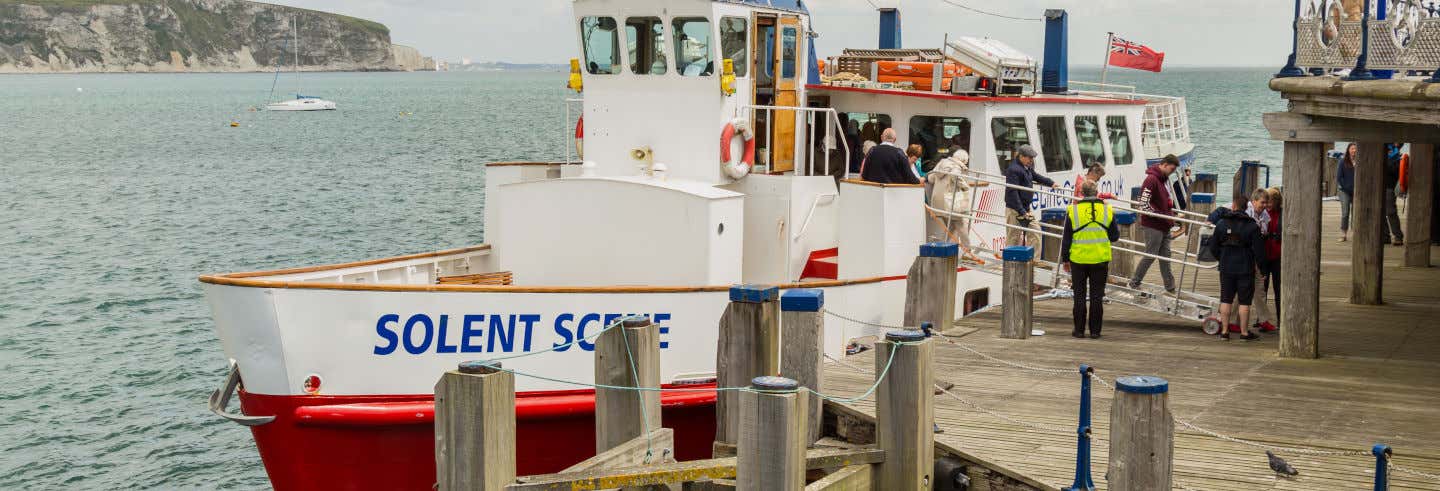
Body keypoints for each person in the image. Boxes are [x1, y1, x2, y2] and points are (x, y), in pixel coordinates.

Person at [1062, 181, 1120, 339]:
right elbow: (1115, 236)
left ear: (1081, 192)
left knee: (1079, 296)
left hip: (1078, 259)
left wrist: (1065, 259)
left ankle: (1079, 331)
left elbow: (1066, 238)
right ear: (1097, 192)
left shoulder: (1073, 211)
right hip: (1100, 259)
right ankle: (1095, 332)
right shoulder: (1107, 209)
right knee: (1097, 296)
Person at [1209, 196, 1265, 341]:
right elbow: (1259, 251)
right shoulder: (1252, 226)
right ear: (1247, 208)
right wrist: (1262, 269)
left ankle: (1225, 331)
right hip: (1245, 267)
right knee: (1244, 301)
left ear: (1233, 206)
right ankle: (1244, 333)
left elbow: (1213, 247)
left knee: (1226, 299)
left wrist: (1221, 258)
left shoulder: (1221, 224)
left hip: (1226, 266)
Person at [1127, 154, 1183, 294]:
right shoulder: (1151, 179)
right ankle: (1134, 282)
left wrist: (1169, 216)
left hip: (1164, 225)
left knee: (1166, 257)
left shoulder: (1162, 180)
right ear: (1164, 165)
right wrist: (1162, 215)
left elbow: (1163, 202)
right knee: (1150, 254)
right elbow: (1143, 204)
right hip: (1153, 225)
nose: (1171, 172)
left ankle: (1170, 287)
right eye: (1171, 169)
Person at [928, 149, 987, 255]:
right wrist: (965, 186)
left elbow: (931, 178)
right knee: (961, 224)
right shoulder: (956, 166)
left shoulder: (942, 163)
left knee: (951, 226)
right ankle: (968, 251)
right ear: (963, 160)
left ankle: (942, 247)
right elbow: (956, 177)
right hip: (950, 203)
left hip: (937, 202)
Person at [1003, 144, 1058, 248]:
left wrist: (1051, 183)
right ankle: (1009, 261)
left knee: (1035, 231)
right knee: (1013, 237)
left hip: (1025, 208)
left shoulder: (1027, 167)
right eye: (1030, 158)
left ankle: (1034, 260)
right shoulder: (1013, 170)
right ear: (1021, 156)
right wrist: (1022, 211)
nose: (1031, 160)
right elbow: (1012, 192)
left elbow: (1036, 176)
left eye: (1032, 158)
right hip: (1015, 209)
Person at [1252, 187, 1283, 333]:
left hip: (1278, 256)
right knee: (1261, 289)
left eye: (1272, 201)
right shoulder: (1261, 214)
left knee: (1279, 289)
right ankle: (1262, 319)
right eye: (1266, 201)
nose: (1268, 204)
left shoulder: (1282, 214)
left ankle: (1281, 319)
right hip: (1264, 256)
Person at [1383, 143, 1406, 246]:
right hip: (1376, 186)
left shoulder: (1398, 156)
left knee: (1391, 212)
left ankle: (1398, 236)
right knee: (1380, 212)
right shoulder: (1383, 148)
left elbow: (1395, 172)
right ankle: (1385, 236)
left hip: (1389, 187)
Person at [1337, 143, 1356, 242]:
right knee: (1345, 212)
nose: (1354, 150)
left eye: (1356, 149)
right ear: (1348, 150)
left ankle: (1355, 233)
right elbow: (1339, 178)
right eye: (1352, 148)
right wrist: (1347, 188)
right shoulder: (1342, 161)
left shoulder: (1360, 161)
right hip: (1344, 191)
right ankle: (1343, 234)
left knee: (1356, 213)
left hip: (1357, 191)